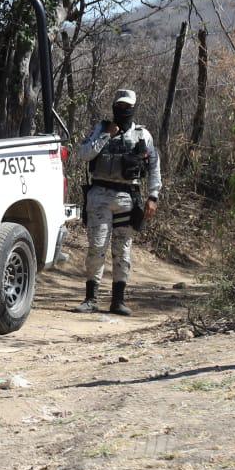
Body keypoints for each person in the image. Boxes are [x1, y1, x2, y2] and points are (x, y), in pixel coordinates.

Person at [73, 88, 161, 316]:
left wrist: (153, 196)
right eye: (119, 106)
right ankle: (91, 299)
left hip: (126, 198)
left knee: (122, 250)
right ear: (114, 107)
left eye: (127, 107)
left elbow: (153, 167)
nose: (123, 110)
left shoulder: (143, 135)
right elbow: (83, 154)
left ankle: (118, 301)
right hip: (99, 195)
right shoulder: (100, 129)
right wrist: (106, 136)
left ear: (133, 108)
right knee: (97, 246)